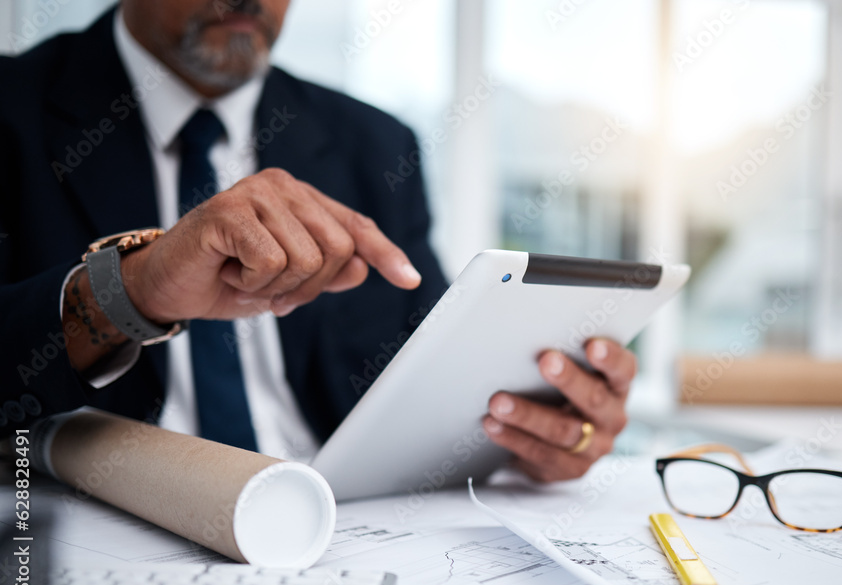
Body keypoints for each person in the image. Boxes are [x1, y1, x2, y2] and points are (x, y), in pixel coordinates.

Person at [0, 0, 637, 482]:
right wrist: (134, 288)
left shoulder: (376, 147)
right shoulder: (15, 109)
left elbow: (432, 380)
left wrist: (532, 431)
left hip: (339, 532)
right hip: (84, 536)